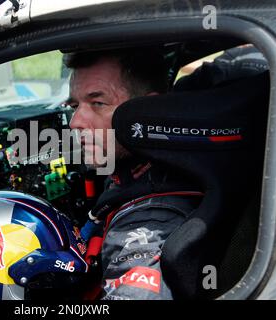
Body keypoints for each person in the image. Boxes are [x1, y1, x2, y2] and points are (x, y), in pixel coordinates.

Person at [64, 49, 202, 300]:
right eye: (74, 105)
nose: (75, 122)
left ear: (149, 112)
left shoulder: (150, 222)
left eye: (98, 103)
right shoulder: (135, 172)